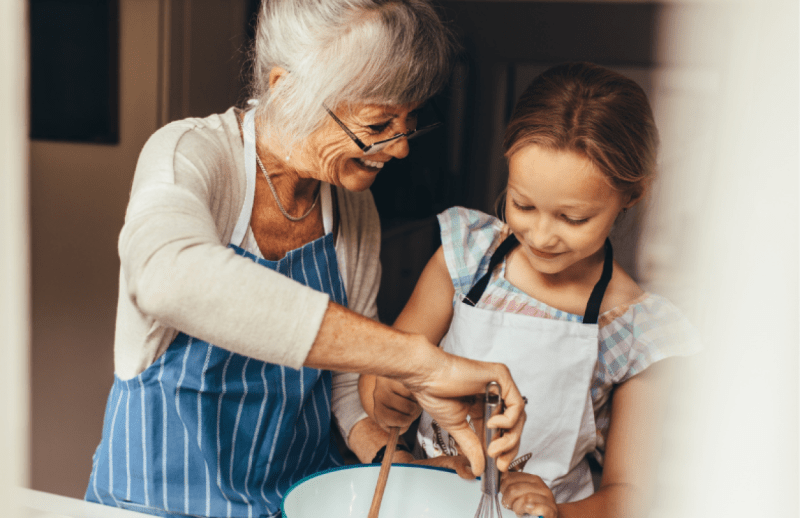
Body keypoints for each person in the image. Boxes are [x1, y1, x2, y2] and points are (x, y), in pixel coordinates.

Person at [84, 1, 525, 517]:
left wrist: (401, 465)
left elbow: (343, 386)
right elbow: (166, 276)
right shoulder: (191, 156)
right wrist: (420, 360)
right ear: (286, 88)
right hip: (152, 505)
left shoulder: (353, 207)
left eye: (409, 120)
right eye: (379, 121)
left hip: (291, 502)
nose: (400, 148)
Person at [360, 62, 701, 518]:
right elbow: (381, 374)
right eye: (522, 204)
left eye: (572, 218)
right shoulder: (467, 255)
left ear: (631, 195)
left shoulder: (635, 328)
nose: (541, 236)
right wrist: (385, 394)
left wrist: (557, 512)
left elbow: (629, 498)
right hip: (429, 505)